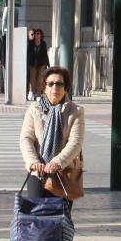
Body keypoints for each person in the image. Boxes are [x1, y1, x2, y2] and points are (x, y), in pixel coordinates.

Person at [19, 66, 84, 200]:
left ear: (66, 88)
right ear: (44, 87)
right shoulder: (34, 109)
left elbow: (75, 143)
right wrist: (33, 162)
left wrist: (56, 163)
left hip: (64, 173)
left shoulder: (75, 111)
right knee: (35, 217)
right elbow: (26, 138)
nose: (55, 87)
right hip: (38, 172)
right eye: (50, 84)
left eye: (59, 84)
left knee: (60, 218)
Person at [27, 29, 50, 101]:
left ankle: (38, 95)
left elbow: (45, 54)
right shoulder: (30, 43)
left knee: (40, 79)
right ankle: (31, 92)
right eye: (35, 34)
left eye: (38, 34)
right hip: (33, 63)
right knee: (32, 79)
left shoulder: (43, 43)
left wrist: (48, 64)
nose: (36, 35)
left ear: (41, 35)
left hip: (41, 63)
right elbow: (28, 53)